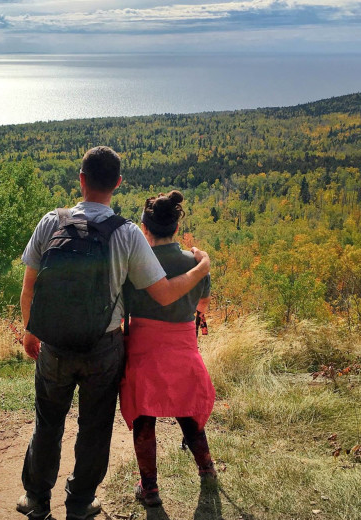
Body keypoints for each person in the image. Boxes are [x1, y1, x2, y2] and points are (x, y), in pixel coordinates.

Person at [18, 146, 211, 520]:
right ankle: (80, 502)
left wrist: (31, 331)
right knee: (94, 426)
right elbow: (166, 293)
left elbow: (29, 287)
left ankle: (36, 499)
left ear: (81, 179)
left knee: (48, 423)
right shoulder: (127, 234)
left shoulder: (50, 222)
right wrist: (202, 268)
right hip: (104, 347)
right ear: (118, 184)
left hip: (54, 345)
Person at [119, 190, 217, 508]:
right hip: (184, 346)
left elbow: (122, 310)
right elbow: (201, 306)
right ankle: (206, 468)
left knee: (144, 418)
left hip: (144, 349)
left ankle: (149, 489)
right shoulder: (195, 262)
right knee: (188, 412)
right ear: (176, 229)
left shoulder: (135, 265)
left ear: (144, 229)